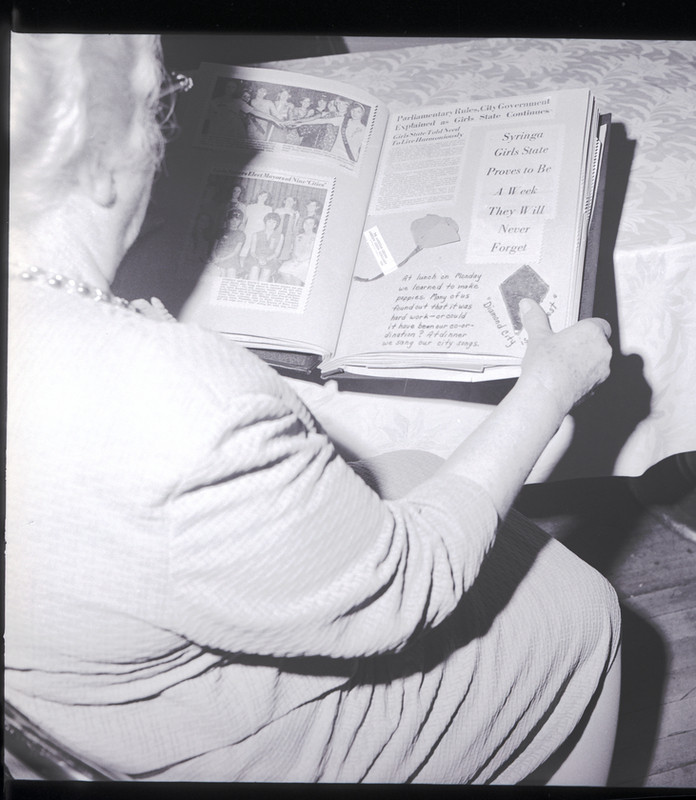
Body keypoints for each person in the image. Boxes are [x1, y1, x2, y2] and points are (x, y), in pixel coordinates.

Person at [7, 33, 621, 785]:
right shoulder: (193, 408)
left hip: (77, 694)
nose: (163, 137)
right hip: (214, 746)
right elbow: (411, 580)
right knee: (585, 608)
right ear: (99, 160)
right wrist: (547, 388)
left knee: (412, 468)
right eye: (155, 104)